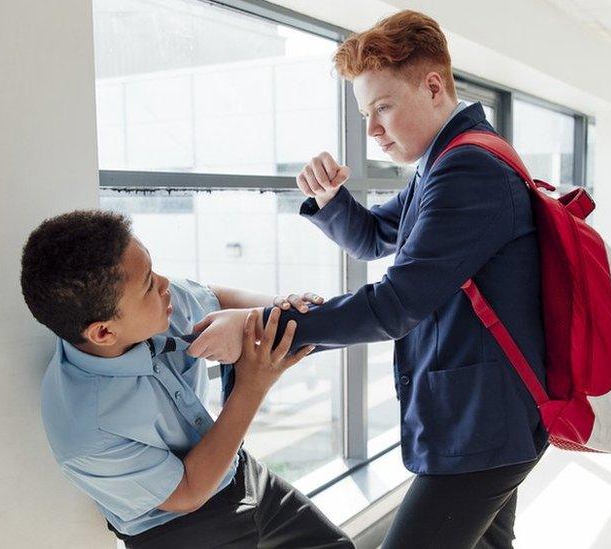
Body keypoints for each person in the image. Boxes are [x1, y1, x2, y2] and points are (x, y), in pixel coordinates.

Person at [191, 10, 547, 549]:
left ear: (433, 87)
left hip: (482, 425)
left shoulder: (467, 168)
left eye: (382, 107)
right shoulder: (445, 159)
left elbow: (393, 306)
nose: (373, 130)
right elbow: (375, 236)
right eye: (365, 114)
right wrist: (332, 201)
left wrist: (259, 325)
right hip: (492, 418)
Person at [20, 210, 353, 548]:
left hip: (236, 472)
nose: (165, 284)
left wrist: (280, 310)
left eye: (153, 270)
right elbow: (187, 492)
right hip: (178, 529)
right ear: (104, 331)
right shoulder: (87, 432)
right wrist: (252, 386)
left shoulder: (154, 306)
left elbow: (215, 299)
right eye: (150, 284)